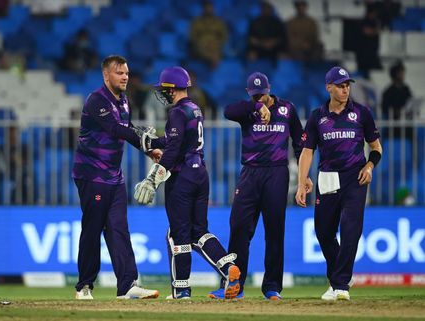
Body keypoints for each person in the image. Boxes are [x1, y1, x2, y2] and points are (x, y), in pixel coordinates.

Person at [134, 66, 241, 300]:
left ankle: (181, 290)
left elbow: (172, 151)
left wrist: (154, 178)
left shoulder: (176, 112)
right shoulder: (194, 109)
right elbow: (178, 140)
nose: (163, 92)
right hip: (200, 173)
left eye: (165, 89)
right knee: (199, 232)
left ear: (172, 89)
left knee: (177, 235)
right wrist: (152, 141)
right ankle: (227, 268)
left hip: (182, 177)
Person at [208, 71, 306, 300]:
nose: (259, 98)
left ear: (270, 89)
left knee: (274, 231)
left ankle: (272, 287)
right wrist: (254, 107)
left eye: (262, 95)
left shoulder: (287, 110)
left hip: (277, 174)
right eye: (255, 95)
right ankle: (233, 286)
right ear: (248, 93)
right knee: (239, 228)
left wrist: (304, 176)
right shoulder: (247, 110)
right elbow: (227, 111)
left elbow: (301, 142)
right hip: (250, 174)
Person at [72, 55, 160, 300]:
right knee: (92, 229)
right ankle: (84, 286)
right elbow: (116, 129)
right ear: (106, 75)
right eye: (119, 73)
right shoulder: (96, 100)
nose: (125, 77)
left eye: (127, 73)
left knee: (119, 229)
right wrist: (150, 141)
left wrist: (149, 149)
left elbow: (127, 128)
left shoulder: (123, 101)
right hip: (92, 175)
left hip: (114, 176)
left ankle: (128, 286)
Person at [295, 66, 383, 301]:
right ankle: (339, 275)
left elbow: (376, 149)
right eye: (341, 86)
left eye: (347, 85)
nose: (345, 90)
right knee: (323, 232)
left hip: (355, 177)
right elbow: (307, 152)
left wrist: (369, 166)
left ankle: (340, 284)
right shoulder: (317, 116)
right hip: (327, 178)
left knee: (350, 228)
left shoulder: (362, 113)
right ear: (329, 87)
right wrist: (302, 181)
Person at [188, 1, 228, 69]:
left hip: (215, 46)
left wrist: (216, 44)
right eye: (207, 8)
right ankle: (212, 66)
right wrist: (200, 43)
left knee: (215, 52)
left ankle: (212, 69)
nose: (208, 10)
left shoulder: (219, 22)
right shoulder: (196, 22)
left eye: (210, 8)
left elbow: (224, 36)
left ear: (213, 9)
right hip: (200, 46)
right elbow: (192, 36)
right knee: (213, 55)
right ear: (203, 9)